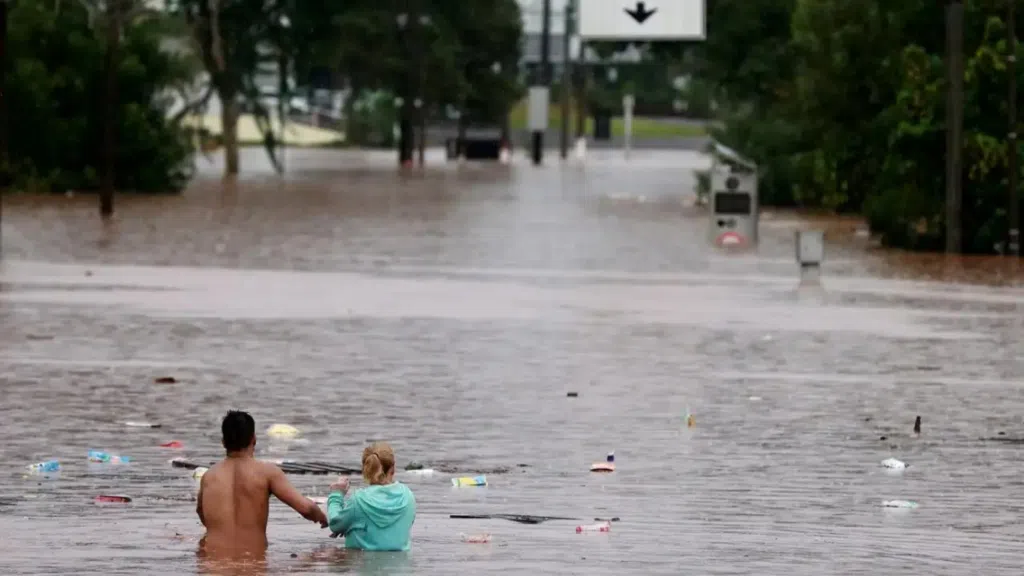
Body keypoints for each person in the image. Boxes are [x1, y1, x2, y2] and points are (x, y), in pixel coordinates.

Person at [197, 410, 328, 558]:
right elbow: (306, 508)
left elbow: (202, 513)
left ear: (223, 442)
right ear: (254, 439)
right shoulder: (267, 472)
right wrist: (322, 517)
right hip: (252, 562)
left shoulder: (209, 476)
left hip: (213, 564)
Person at [326, 442, 416, 551]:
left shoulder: (358, 500)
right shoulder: (408, 497)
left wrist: (336, 494)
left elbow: (335, 524)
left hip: (364, 563)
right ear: (393, 469)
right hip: (401, 565)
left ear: (366, 470)